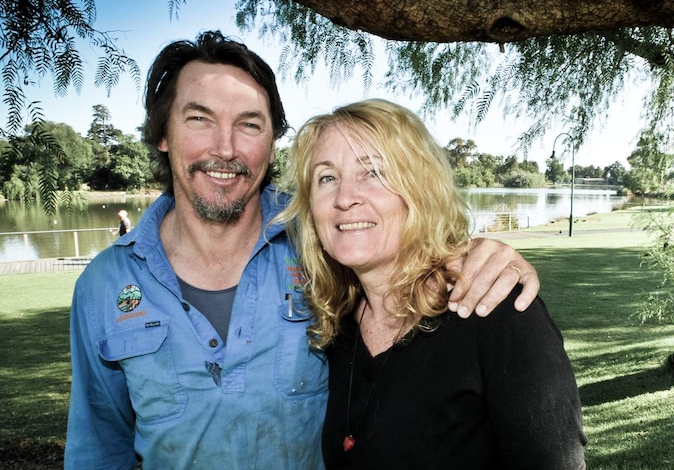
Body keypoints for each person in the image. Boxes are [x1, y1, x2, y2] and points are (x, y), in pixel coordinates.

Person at [64, 31, 540, 469]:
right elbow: (99, 449)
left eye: (249, 125)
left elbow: (407, 248)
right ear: (164, 135)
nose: (225, 148)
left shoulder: (324, 240)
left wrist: (479, 255)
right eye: (199, 119)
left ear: (271, 145)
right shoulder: (104, 286)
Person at [282, 98, 588, 469]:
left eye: (374, 172)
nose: (345, 198)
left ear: (420, 191)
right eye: (327, 178)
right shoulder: (339, 327)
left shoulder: (496, 312)